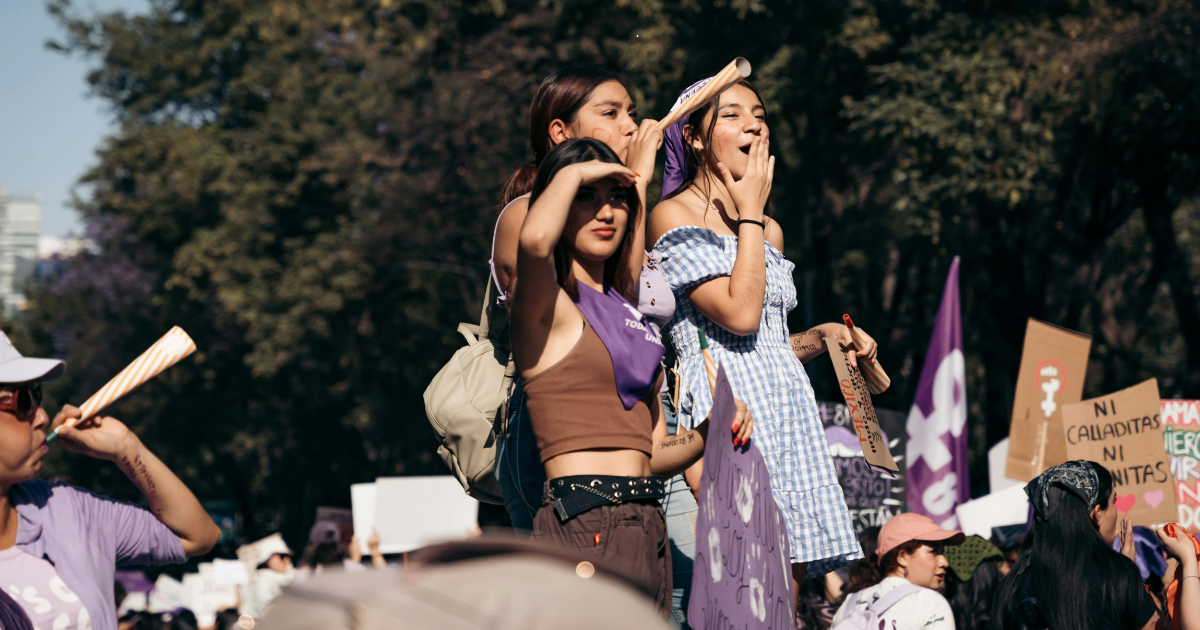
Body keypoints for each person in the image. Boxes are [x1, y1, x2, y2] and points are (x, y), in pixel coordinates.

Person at [648, 75, 876, 586]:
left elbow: (767, 344)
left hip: (786, 409)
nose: (753, 123)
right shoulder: (673, 215)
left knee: (784, 589)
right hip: (728, 413)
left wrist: (824, 337)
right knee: (739, 585)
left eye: (759, 114)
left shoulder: (769, 229)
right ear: (696, 137)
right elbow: (740, 314)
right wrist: (750, 213)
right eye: (731, 114)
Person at [510, 137, 752, 616]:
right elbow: (535, 241)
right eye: (587, 197)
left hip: (646, 521)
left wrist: (708, 432)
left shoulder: (632, 317)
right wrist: (580, 170)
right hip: (586, 518)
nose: (606, 212)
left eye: (616, 198)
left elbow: (654, 452)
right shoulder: (549, 304)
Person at [491, 66, 663, 531]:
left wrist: (634, 192)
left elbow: (627, 301)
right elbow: (542, 249)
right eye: (610, 112)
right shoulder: (524, 216)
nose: (630, 126)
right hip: (553, 436)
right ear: (560, 131)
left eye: (632, 112)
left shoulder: (615, 214)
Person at [0, 332, 220, 630]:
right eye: (22, 401)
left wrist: (127, 448)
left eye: (37, 395)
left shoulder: (64, 508)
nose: (41, 416)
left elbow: (198, 535)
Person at [992, 460, 1158, 630]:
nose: (1117, 509)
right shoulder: (1117, 577)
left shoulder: (1011, 587)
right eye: (1114, 501)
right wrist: (1131, 576)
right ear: (1097, 513)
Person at [831, 513, 964, 629]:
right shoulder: (929, 602)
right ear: (902, 557)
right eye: (934, 551)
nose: (944, 562)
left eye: (942, 552)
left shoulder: (851, 602)